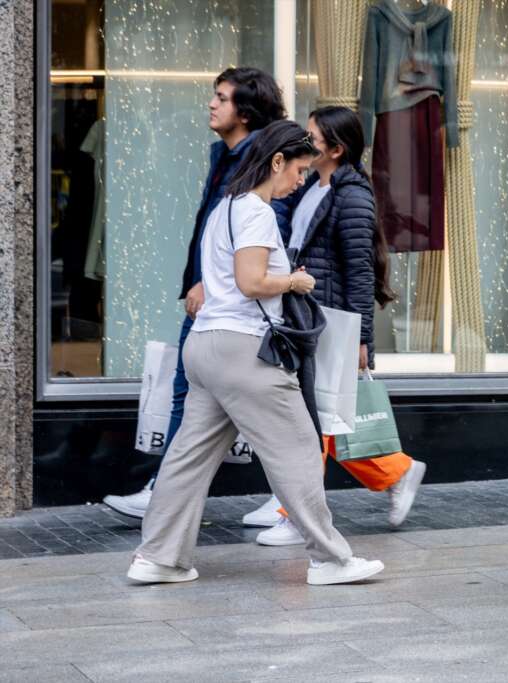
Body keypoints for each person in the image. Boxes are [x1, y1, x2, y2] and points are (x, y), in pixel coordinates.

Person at [126, 121, 385, 586]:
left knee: (189, 456)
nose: (300, 180)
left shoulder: (225, 208)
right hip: (243, 350)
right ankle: (331, 560)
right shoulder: (257, 212)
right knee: (300, 447)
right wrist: (295, 281)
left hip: (204, 346)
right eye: (299, 170)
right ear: (277, 162)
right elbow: (251, 282)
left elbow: (225, 279)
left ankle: (158, 557)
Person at [105, 67, 286, 519]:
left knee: (256, 410)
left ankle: (293, 501)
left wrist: (210, 279)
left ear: (244, 111)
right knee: (194, 400)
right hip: (212, 301)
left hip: (231, 308)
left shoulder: (259, 161)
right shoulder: (224, 155)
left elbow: (265, 230)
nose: (212, 103)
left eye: (221, 98)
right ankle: (165, 493)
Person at [244, 105, 427, 545]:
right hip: (308, 318)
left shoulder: (352, 196)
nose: (305, 144)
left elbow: (360, 271)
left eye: (312, 137)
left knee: (315, 419)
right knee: (320, 419)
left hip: (332, 322)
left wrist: (363, 339)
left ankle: (295, 512)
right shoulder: (312, 189)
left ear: (337, 149)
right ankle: (394, 471)